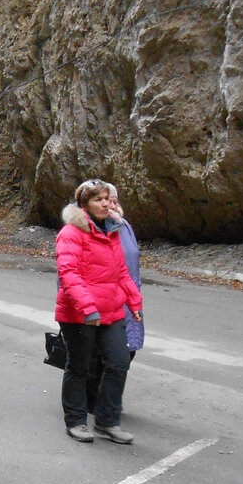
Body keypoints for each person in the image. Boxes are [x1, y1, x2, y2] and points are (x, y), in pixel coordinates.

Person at [56, 179, 143, 445]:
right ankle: (76, 422)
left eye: (107, 198)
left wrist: (134, 302)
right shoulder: (71, 233)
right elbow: (68, 274)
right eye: (99, 199)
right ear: (84, 204)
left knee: (118, 363)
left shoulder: (112, 230)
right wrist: (88, 309)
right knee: (80, 367)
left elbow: (121, 272)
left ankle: (107, 421)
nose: (106, 204)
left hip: (112, 310)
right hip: (80, 314)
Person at [86, 182, 144, 413]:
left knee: (126, 353)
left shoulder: (124, 226)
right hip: (101, 303)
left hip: (128, 301)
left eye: (114, 200)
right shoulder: (89, 229)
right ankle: (95, 405)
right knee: (101, 356)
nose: (110, 204)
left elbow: (128, 268)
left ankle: (106, 405)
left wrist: (134, 299)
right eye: (104, 200)